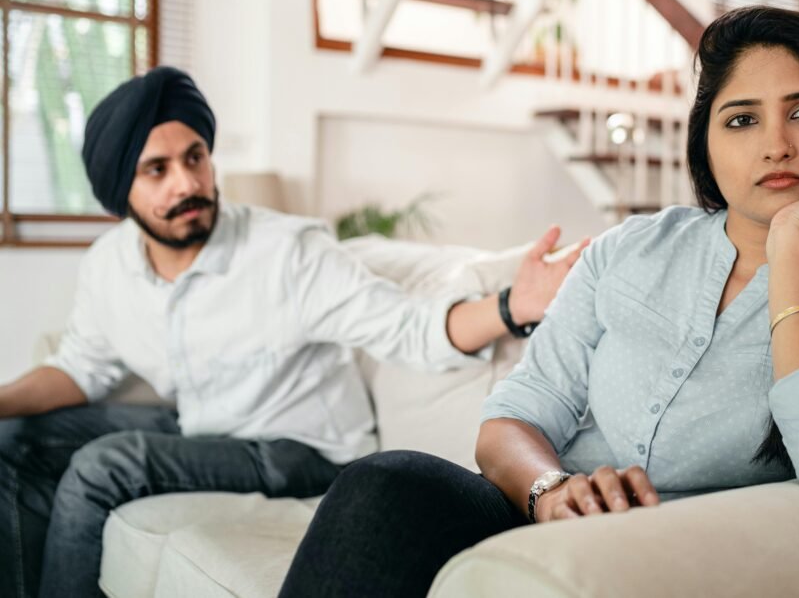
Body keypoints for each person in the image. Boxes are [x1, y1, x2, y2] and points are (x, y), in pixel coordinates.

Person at [278, 5, 799, 597]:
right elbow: (513, 417)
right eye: (741, 119)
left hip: (669, 556)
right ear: (707, 146)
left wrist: (791, 246)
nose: (775, 144)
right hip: (541, 514)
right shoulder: (630, 249)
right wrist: (550, 490)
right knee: (383, 484)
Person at [0, 66, 587, 598]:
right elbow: (81, 367)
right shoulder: (109, 267)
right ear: (119, 193)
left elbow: (408, 327)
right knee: (13, 440)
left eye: (195, 156)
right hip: (205, 426)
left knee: (105, 466)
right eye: (158, 169)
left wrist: (513, 305)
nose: (187, 182)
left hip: (302, 449)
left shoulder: (287, 253)